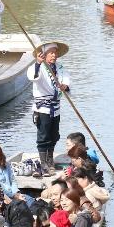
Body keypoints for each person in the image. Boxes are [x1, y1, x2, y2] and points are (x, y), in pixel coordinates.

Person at [27, 41, 70, 175]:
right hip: (42, 109)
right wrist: (38, 63)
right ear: (44, 55)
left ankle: (50, 160)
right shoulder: (38, 67)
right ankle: (44, 163)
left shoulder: (60, 67)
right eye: (51, 53)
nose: (54, 55)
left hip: (55, 108)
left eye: (55, 53)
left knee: (54, 135)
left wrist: (65, 86)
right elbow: (33, 77)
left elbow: (67, 80)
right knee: (43, 136)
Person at [0, 140, 34, 207]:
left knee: (30, 200)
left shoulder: (5, 164)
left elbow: (13, 180)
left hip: (14, 193)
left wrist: (17, 193)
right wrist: (14, 196)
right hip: (3, 196)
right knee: (26, 203)